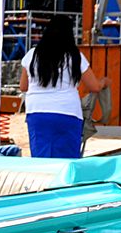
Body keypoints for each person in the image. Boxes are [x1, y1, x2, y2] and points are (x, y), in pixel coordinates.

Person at [19, 14, 111, 158]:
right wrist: (104, 82)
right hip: (67, 112)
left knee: (40, 158)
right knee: (67, 159)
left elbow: (23, 86)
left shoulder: (32, 54)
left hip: (37, 112)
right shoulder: (74, 55)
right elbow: (94, 87)